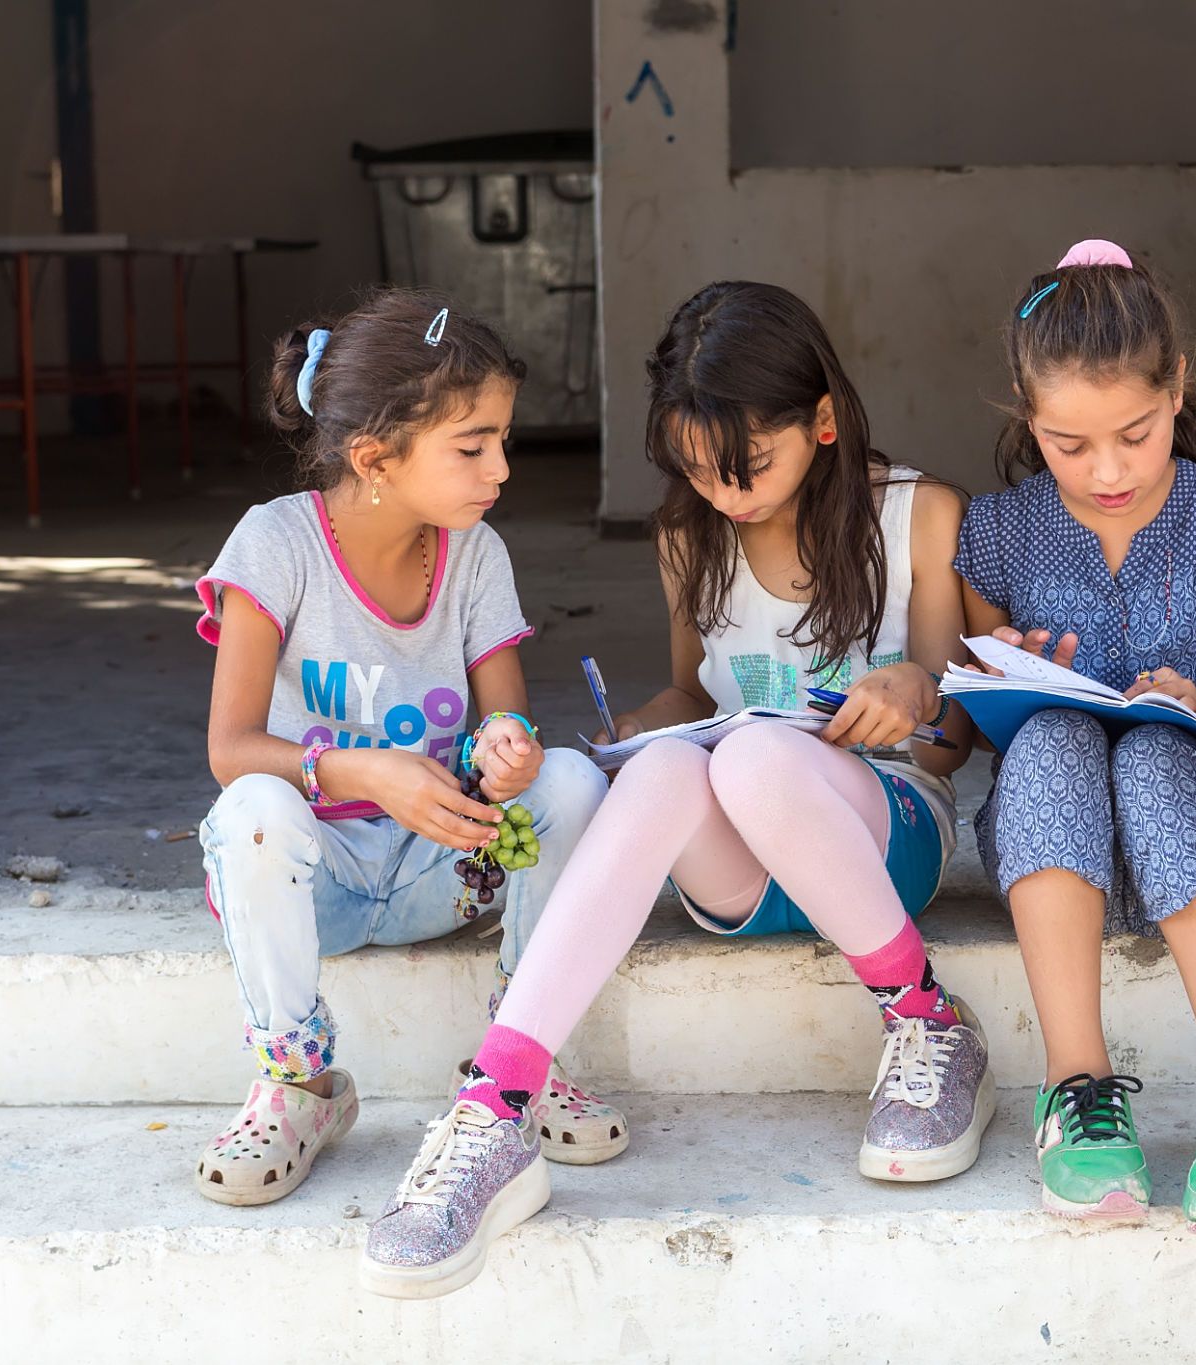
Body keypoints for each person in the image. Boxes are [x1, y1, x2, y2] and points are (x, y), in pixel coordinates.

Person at [360, 281, 988, 1299]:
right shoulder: (689, 535)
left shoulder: (918, 514)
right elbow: (696, 692)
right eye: (699, 472)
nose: (726, 493)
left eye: (749, 466)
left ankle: (925, 1020)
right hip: (739, 880)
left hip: (881, 839)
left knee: (751, 760)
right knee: (670, 763)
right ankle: (496, 1106)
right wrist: (638, 730)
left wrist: (914, 687)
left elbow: (953, 739)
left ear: (822, 421)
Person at [191, 289, 615, 1207]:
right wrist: (365, 772)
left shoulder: (476, 553)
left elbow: (509, 724)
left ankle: (518, 1057)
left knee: (577, 784)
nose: (499, 466)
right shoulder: (275, 544)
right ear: (374, 456)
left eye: (503, 439)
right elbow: (231, 747)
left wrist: (508, 751)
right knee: (251, 814)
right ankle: (299, 1084)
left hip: (444, 871)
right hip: (323, 882)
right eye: (472, 446)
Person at [957, 240, 1196, 1234]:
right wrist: (999, 671)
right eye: (1069, 445)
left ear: (1178, 388)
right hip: (1048, 833)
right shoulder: (995, 533)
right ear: (1029, 418)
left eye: (1134, 434)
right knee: (1058, 734)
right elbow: (977, 724)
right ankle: (1077, 1091)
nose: (1105, 469)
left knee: (1154, 751)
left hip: (1191, 816)